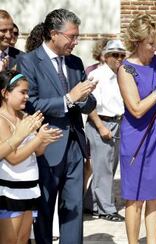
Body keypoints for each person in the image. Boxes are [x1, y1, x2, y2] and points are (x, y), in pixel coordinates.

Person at [17, 9, 97, 244]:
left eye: (77, 36)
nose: (75, 42)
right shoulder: (29, 61)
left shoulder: (76, 62)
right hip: (46, 145)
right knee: (43, 210)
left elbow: (88, 103)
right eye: (71, 37)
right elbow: (29, 103)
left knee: (74, 211)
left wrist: (84, 98)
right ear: (53, 34)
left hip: (75, 146)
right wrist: (68, 99)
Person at [118, 14, 156, 244]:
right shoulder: (126, 70)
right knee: (134, 198)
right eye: (151, 43)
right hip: (136, 135)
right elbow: (136, 109)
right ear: (137, 41)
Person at [0, 70, 62, 244]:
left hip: (29, 189)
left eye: (28, 92)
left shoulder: (26, 117)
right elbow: (13, 158)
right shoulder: (1, 120)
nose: (27, 96)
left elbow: (37, 153)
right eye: (22, 92)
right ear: (5, 93)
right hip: (10, 192)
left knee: (23, 240)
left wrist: (44, 140)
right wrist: (38, 140)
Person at [84, 40, 126, 222]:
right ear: (105, 56)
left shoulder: (120, 75)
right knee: (104, 170)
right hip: (101, 123)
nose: (119, 58)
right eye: (115, 55)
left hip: (117, 122)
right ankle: (106, 209)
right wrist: (100, 126)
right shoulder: (97, 75)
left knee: (108, 167)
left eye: (122, 55)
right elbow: (88, 104)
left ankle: (91, 204)